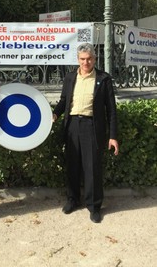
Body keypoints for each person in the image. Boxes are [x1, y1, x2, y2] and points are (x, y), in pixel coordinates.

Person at [53, 43, 119, 223]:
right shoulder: (69, 77)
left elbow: (111, 110)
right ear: (78, 59)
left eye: (89, 58)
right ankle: (73, 200)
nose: (86, 62)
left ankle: (94, 205)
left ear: (95, 59)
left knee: (92, 167)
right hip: (72, 125)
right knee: (72, 165)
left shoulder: (103, 79)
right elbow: (64, 101)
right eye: (82, 59)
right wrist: (55, 114)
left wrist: (113, 136)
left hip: (92, 126)